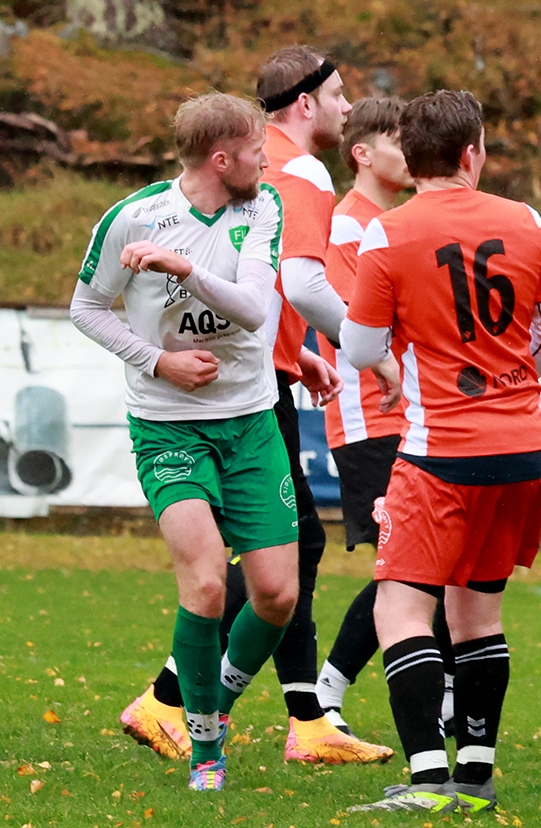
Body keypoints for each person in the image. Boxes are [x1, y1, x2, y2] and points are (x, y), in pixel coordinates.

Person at [118, 47, 397, 766]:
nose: (344, 107)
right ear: (303, 103)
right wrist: (366, 351)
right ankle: (174, 699)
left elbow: (255, 281)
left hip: (258, 370)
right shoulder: (294, 170)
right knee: (285, 553)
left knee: (291, 552)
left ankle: (302, 717)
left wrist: (291, 352)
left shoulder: (255, 157)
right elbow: (300, 282)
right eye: (337, 95)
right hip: (237, 396)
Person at [340, 89, 541, 815]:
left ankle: (426, 782)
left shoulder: (389, 233)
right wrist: (505, 375)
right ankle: (474, 778)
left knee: (400, 608)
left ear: (410, 162)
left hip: (440, 449)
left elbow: (358, 347)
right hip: (521, 448)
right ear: (472, 153)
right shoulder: (527, 221)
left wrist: (426, 362)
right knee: (479, 614)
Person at [77, 93, 302, 791]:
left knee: (276, 597)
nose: (268, 160)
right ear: (221, 157)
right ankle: (205, 748)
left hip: (250, 421)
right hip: (166, 426)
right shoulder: (133, 217)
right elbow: (86, 308)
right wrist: (158, 360)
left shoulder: (261, 208)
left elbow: (254, 310)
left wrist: (184, 271)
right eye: (256, 149)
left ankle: (216, 702)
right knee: (207, 585)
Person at [305, 98, 450, 738]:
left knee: (430, 564)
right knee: (409, 568)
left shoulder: (387, 222)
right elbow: (344, 316)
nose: (409, 153)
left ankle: (438, 693)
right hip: (371, 418)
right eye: (398, 141)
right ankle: (325, 693)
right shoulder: (348, 226)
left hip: (407, 416)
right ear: (362, 153)